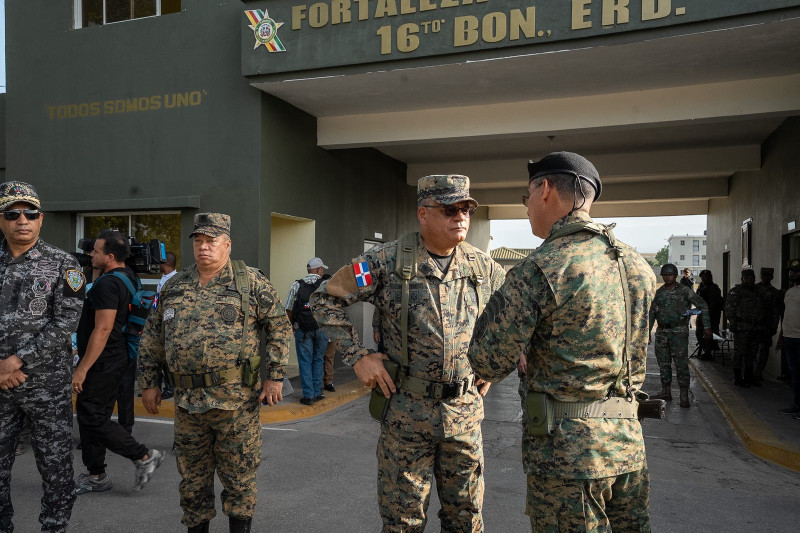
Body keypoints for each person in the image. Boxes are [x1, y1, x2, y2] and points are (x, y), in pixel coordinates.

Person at [467, 153, 656, 530]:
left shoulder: (542, 266)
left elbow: (487, 360)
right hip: (628, 447)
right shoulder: (635, 264)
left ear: (546, 189)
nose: (527, 209)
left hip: (569, 458)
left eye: (526, 198)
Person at [312, 175, 505, 532]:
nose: (460, 217)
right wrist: (357, 355)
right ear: (423, 214)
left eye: (465, 209)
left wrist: (492, 364)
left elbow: (507, 319)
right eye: (449, 209)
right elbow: (324, 298)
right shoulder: (384, 261)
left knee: (466, 519)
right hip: (406, 414)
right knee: (403, 521)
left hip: (464, 415)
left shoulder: (484, 268)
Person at [138, 213, 292, 533]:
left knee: (239, 477)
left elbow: (278, 325)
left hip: (234, 402)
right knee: (192, 480)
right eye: (198, 241)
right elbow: (153, 334)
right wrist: (149, 382)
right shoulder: (176, 285)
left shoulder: (249, 281)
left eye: (211, 241)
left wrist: (274, 375)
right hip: (187, 402)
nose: (204, 247)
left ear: (227, 244)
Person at [0, 181, 85, 533]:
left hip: (46, 386)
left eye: (30, 213)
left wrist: (15, 362)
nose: (23, 220)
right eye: (13, 213)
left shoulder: (64, 264)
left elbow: (66, 323)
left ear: (41, 218)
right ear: (2, 219)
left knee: (55, 467)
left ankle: (54, 527)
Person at [73, 229, 164, 495]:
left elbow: (102, 330)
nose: (91, 254)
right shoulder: (128, 277)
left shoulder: (108, 284)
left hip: (104, 359)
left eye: (96, 251)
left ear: (110, 256)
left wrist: (82, 368)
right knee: (91, 415)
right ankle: (96, 474)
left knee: (91, 415)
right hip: (117, 356)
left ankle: (144, 456)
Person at [649, 263, 711, 406]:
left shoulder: (685, 291)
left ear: (675, 276)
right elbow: (652, 312)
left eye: (669, 274)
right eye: (664, 275)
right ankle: (666, 391)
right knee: (663, 363)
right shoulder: (660, 292)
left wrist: (707, 327)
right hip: (662, 332)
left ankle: (684, 394)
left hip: (679, 332)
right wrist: (648, 331)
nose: (666, 277)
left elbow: (703, 305)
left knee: (681, 363)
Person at [285, 257, 329, 405]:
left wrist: (292, 326)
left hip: (302, 329)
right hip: (322, 328)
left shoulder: (297, 285)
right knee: (318, 360)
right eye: (322, 269)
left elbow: (289, 308)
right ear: (319, 270)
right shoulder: (325, 285)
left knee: (305, 361)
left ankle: (308, 396)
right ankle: (317, 392)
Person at [725, 268, 774, 387]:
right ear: (742, 279)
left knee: (751, 354)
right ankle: (738, 378)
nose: (749, 280)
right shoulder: (736, 291)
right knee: (739, 353)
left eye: (752, 278)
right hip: (742, 328)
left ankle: (748, 377)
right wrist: (733, 324)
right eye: (747, 278)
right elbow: (729, 309)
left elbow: (767, 307)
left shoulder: (760, 291)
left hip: (756, 328)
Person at [777, 259, 800, 419]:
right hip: (789, 338)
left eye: (796, 271)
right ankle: (797, 405)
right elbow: (786, 315)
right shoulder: (790, 291)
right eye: (791, 271)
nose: (792, 273)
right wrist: (781, 336)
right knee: (795, 374)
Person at [755, 267, 784, 382]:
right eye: (764, 276)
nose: (765, 278)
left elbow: (778, 311)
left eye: (768, 276)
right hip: (754, 326)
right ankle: (751, 372)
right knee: (752, 350)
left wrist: (774, 327)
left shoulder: (776, 293)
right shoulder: (754, 289)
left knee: (763, 351)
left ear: (771, 277)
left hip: (767, 327)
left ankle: (758, 372)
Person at [155, 251, 178, 399]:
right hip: (159, 322)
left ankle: (170, 388)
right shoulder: (165, 278)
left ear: (165, 264)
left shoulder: (175, 280)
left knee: (168, 360)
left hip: (169, 325)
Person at [695, 270, 723, 360]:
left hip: (712, 314)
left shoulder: (714, 288)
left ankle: (708, 352)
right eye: (703, 276)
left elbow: (714, 303)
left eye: (707, 276)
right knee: (699, 332)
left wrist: (708, 314)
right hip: (701, 313)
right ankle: (705, 348)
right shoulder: (700, 286)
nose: (705, 278)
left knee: (710, 333)